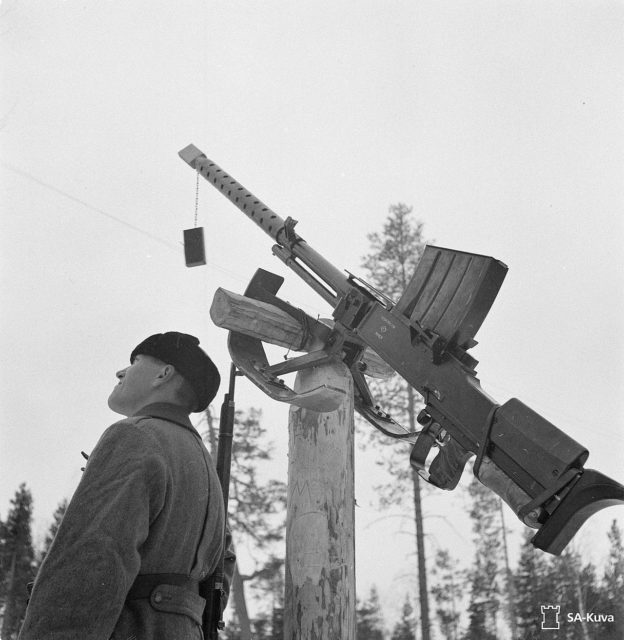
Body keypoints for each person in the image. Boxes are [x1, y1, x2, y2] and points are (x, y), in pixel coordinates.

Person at [19, 331, 228, 640]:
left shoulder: (136, 436)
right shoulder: (206, 467)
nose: (121, 372)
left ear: (163, 374)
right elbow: (220, 571)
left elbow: (93, 559)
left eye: (135, 361)